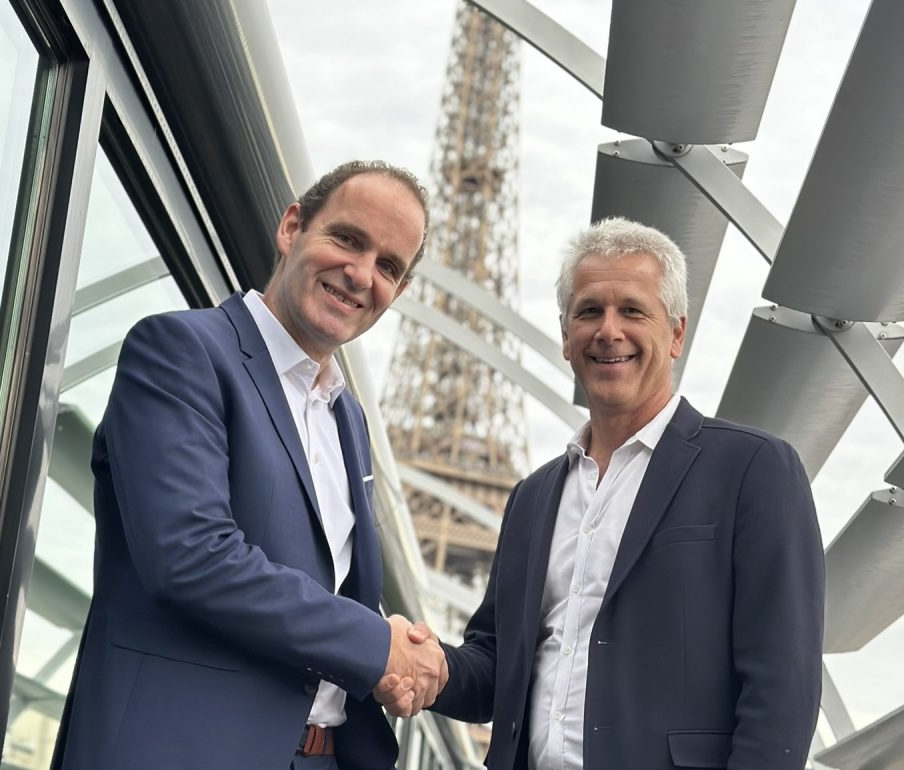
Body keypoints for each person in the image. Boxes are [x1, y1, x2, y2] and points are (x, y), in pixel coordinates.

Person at [380, 217, 825, 769]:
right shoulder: (532, 497)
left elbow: (782, 690)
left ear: (677, 334)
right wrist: (431, 666)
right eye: (589, 311)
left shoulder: (754, 470)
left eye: (633, 310)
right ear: (566, 336)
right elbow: (500, 666)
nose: (608, 330)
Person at [51, 160, 447, 770]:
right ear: (292, 228)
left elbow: (323, 589)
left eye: (389, 266)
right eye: (347, 238)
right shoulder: (182, 351)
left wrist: (392, 652)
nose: (361, 274)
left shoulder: (349, 421)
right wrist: (375, 644)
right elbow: (192, 555)